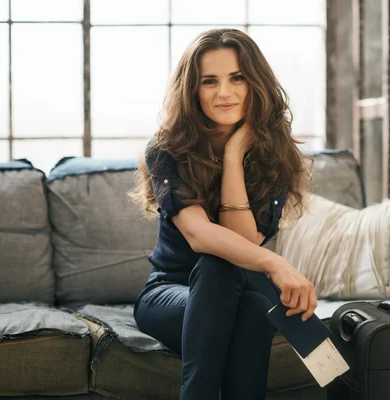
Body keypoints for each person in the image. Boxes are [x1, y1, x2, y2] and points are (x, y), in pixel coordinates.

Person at [130, 28, 317, 400]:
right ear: (192, 90)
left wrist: (234, 157)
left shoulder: (273, 155)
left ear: (254, 83)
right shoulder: (167, 149)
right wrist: (276, 264)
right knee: (220, 269)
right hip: (170, 291)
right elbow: (200, 236)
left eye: (237, 78)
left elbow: (243, 245)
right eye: (209, 82)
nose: (224, 93)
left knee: (243, 296)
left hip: (244, 287)